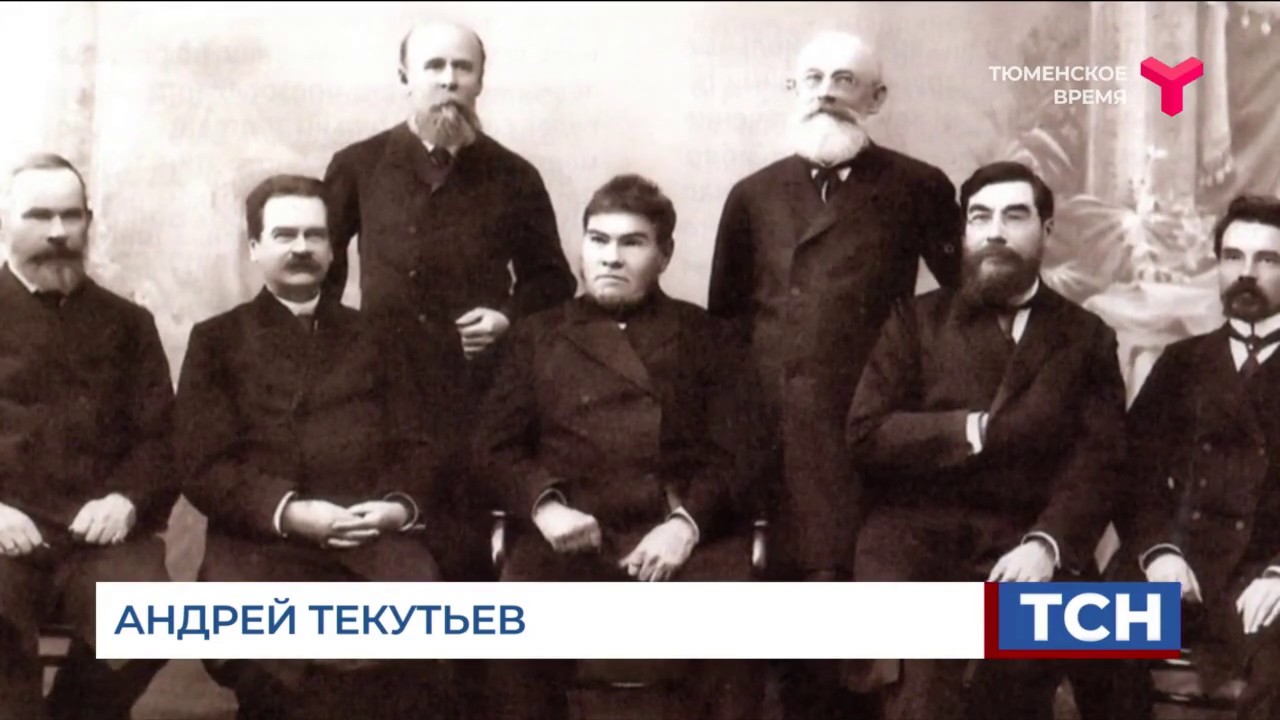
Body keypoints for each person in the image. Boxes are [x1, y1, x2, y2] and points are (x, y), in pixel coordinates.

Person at [707, 28, 963, 718]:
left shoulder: (917, 186)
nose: (827, 93)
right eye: (814, 79)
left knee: (852, 601)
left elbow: (961, 305)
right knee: (781, 605)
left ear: (876, 99)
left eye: (845, 81)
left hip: (867, 424)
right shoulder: (752, 194)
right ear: (793, 90)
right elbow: (725, 324)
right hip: (772, 429)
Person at [844, 161, 1128, 720]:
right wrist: (970, 430)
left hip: (1026, 540)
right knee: (923, 695)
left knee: (1049, 670)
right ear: (964, 232)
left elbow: (1099, 461)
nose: (995, 231)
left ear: (1046, 230)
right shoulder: (915, 321)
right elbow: (866, 432)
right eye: (980, 217)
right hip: (915, 547)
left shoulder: (1085, 336)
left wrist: (1046, 544)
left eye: (1014, 216)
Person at [475, 174, 764, 720]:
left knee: (736, 631)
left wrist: (686, 525)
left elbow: (741, 452)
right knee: (511, 632)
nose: (610, 257)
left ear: (664, 255)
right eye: (598, 240)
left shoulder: (707, 335)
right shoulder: (536, 335)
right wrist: (545, 506)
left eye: (632, 242)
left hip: (678, 531)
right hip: (570, 534)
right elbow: (494, 449)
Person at [176, 174, 459, 720]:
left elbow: (418, 444)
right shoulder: (217, 340)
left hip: (369, 539)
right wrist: (289, 512)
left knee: (414, 664)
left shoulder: (378, 336)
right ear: (255, 247)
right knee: (287, 677)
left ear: (333, 250)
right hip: (262, 544)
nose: (301, 248)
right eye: (284, 234)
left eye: (315, 235)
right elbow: (202, 465)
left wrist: (397, 507)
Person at [0, 153, 176, 720]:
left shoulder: (129, 323)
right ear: (4, 220)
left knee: (151, 619)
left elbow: (162, 439)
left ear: (88, 221)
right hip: (2, 536)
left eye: (70, 216)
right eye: (38, 216)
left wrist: (126, 499)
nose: (57, 232)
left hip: (99, 541)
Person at [1100, 194, 1280, 720]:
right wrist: (1159, 552)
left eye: (1267, 259)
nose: (1246, 273)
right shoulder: (1183, 362)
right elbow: (1132, 475)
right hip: (1179, 566)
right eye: (1233, 257)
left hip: (1262, 574)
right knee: (1084, 636)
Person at [322, 19, 575, 391]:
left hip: (478, 380)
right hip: (380, 379)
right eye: (434, 66)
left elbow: (553, 279)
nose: (449, 80)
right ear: (405, 78)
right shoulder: (358, 164)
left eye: (463, 67)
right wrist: (342, 346)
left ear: (480, 82)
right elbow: (323, 268)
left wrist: (506, 317)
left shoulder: (516, 175)